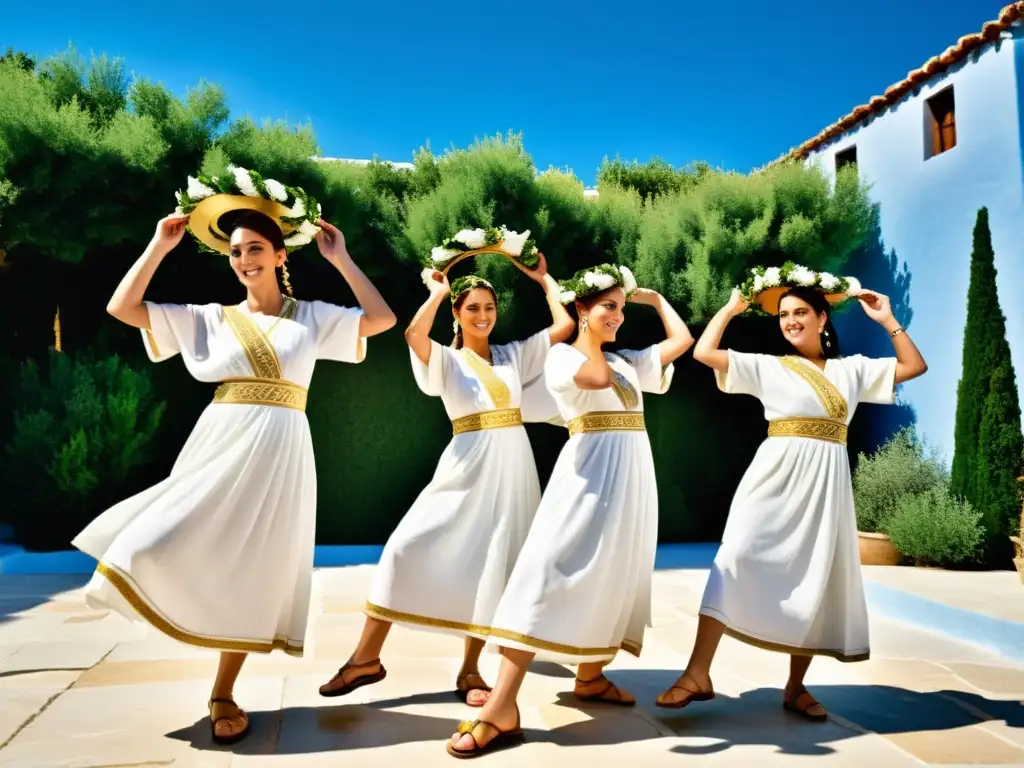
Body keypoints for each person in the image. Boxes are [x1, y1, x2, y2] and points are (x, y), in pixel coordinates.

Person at [71, 175, 396, 746]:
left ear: (277, 255)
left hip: (282, 452)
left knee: (257, 569)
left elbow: (381, 319)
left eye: (253, 250)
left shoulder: (311, 316)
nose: (243, 260)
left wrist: (342, 259)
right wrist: (159, 246)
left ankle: (224, 691)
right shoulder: (209, 318)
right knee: (155, 540)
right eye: (235, 251)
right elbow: (122, 307)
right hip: (222, 443)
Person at [445, 264, 693, 758]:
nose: (618, 317)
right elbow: (595, 373)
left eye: (622, 309)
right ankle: (502, 707)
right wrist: (587, 326)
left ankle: (591, 676)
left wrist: (655, 301)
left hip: (630, 482)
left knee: (610, 574)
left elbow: (682, 340)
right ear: (581, 308)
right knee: (543, 575)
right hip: (585, 478)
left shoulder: (624, 361)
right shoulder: (562, 358)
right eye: (608, 307)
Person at [655, 282, 927, 721]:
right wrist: (730, 309)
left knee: (813, 576)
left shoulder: (852, 370)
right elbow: (705, 353)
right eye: (784, 315)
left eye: (800, 312)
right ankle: (697, 672)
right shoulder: (770, 367)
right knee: (735, 559)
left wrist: (888, 321)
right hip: (772, 478)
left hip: (825, 483)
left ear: (822, 319)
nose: (791, 321)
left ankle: (796, 687)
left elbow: (914, 366)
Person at [318, 255, 574, 707]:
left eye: (489, 308)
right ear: (457, 313)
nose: (483, 316)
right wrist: (437, 292)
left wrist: (543, 278)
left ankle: (471, 671)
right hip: (465, 465)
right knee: (403, 548)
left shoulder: (514, 355)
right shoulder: (448, 360)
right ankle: (365, 659)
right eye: (472, 308)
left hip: (513, 467)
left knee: (494, 561)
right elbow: (414, 334)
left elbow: (564, 324)